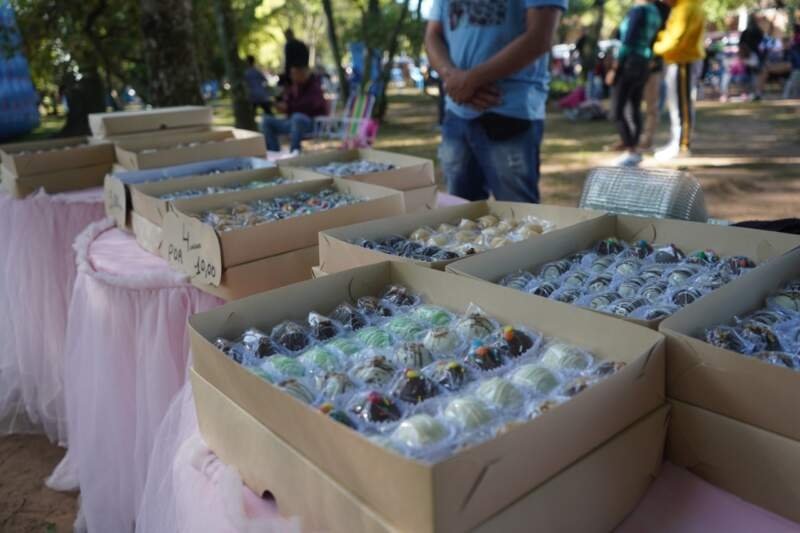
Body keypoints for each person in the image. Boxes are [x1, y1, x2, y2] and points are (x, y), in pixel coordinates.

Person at [424, 0, 565, 203]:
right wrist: (453, 78)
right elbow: (432, 34)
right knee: (460, 218)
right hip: (457, 110)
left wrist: (469, 81)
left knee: (519, 217)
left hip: (509, 110)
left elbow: (540, 37)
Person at [607, 0, 663, 166]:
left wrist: (615, 68)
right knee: (635, 106)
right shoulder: (655, 12)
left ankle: (631, 149)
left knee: (617, 110)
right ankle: (634, 148)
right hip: (644, 63)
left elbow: (628, 41)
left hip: (630, 63)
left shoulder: (638, 11)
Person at [652, 0, 706, 162]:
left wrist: (656, 47)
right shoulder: (683, 7)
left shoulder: (686, 7)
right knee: (678, 104)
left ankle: (681, 145)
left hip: (683, 60)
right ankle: (677, 142)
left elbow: (676, 39)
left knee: (682, 105)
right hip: (681, 59)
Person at [262, 46, 327, 153]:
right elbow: (288, 105)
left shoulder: (315, 87)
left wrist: (289, 107)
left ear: (303, 72)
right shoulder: (293, 87)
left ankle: (294, 152)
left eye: (294, 74)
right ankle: (274, 153)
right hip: (292, 122)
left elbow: (310, 106)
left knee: (298, 117)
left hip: (312, 123)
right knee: (266, 120)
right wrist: (280, 105)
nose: (292, 77)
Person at [640, 0, 671, 149]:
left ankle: (647, 138)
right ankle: (634, 138)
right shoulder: (642, 8)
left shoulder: (664, 10)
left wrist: (655, 58)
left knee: (652, 104)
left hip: (654, 62)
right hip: (638, 61)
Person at [739, 14, 766, 101]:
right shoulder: (756, 31)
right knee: (755, 74)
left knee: (753, 74)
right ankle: (755, 92)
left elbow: (741, 44)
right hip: (753, 55)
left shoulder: (748, 32)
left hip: (752, 56)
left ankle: (754, 92)